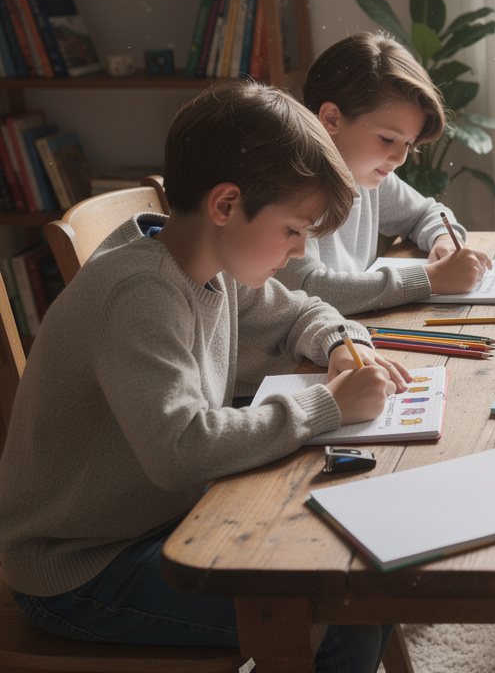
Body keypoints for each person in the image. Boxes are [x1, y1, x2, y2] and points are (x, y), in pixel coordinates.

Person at [0, 80, 410, 672]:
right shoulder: (141, 294)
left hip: (161, 519)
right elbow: (181, 450)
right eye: (293, 229)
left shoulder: (206, 264)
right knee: (336, 609)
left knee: (362, 566)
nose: (298, 253)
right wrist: (326, 404)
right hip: (81, 569)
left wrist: (341, 345)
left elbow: (302, 309)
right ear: (225, 205)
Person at [275, 31, 493, 314]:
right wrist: (431, 279)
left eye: (408, 145)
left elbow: (426, 213)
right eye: (387, 139)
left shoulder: (366, 175)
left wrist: (443, 241)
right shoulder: (289, 187)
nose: (400, 158)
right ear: (331, 119)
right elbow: (308, 289)